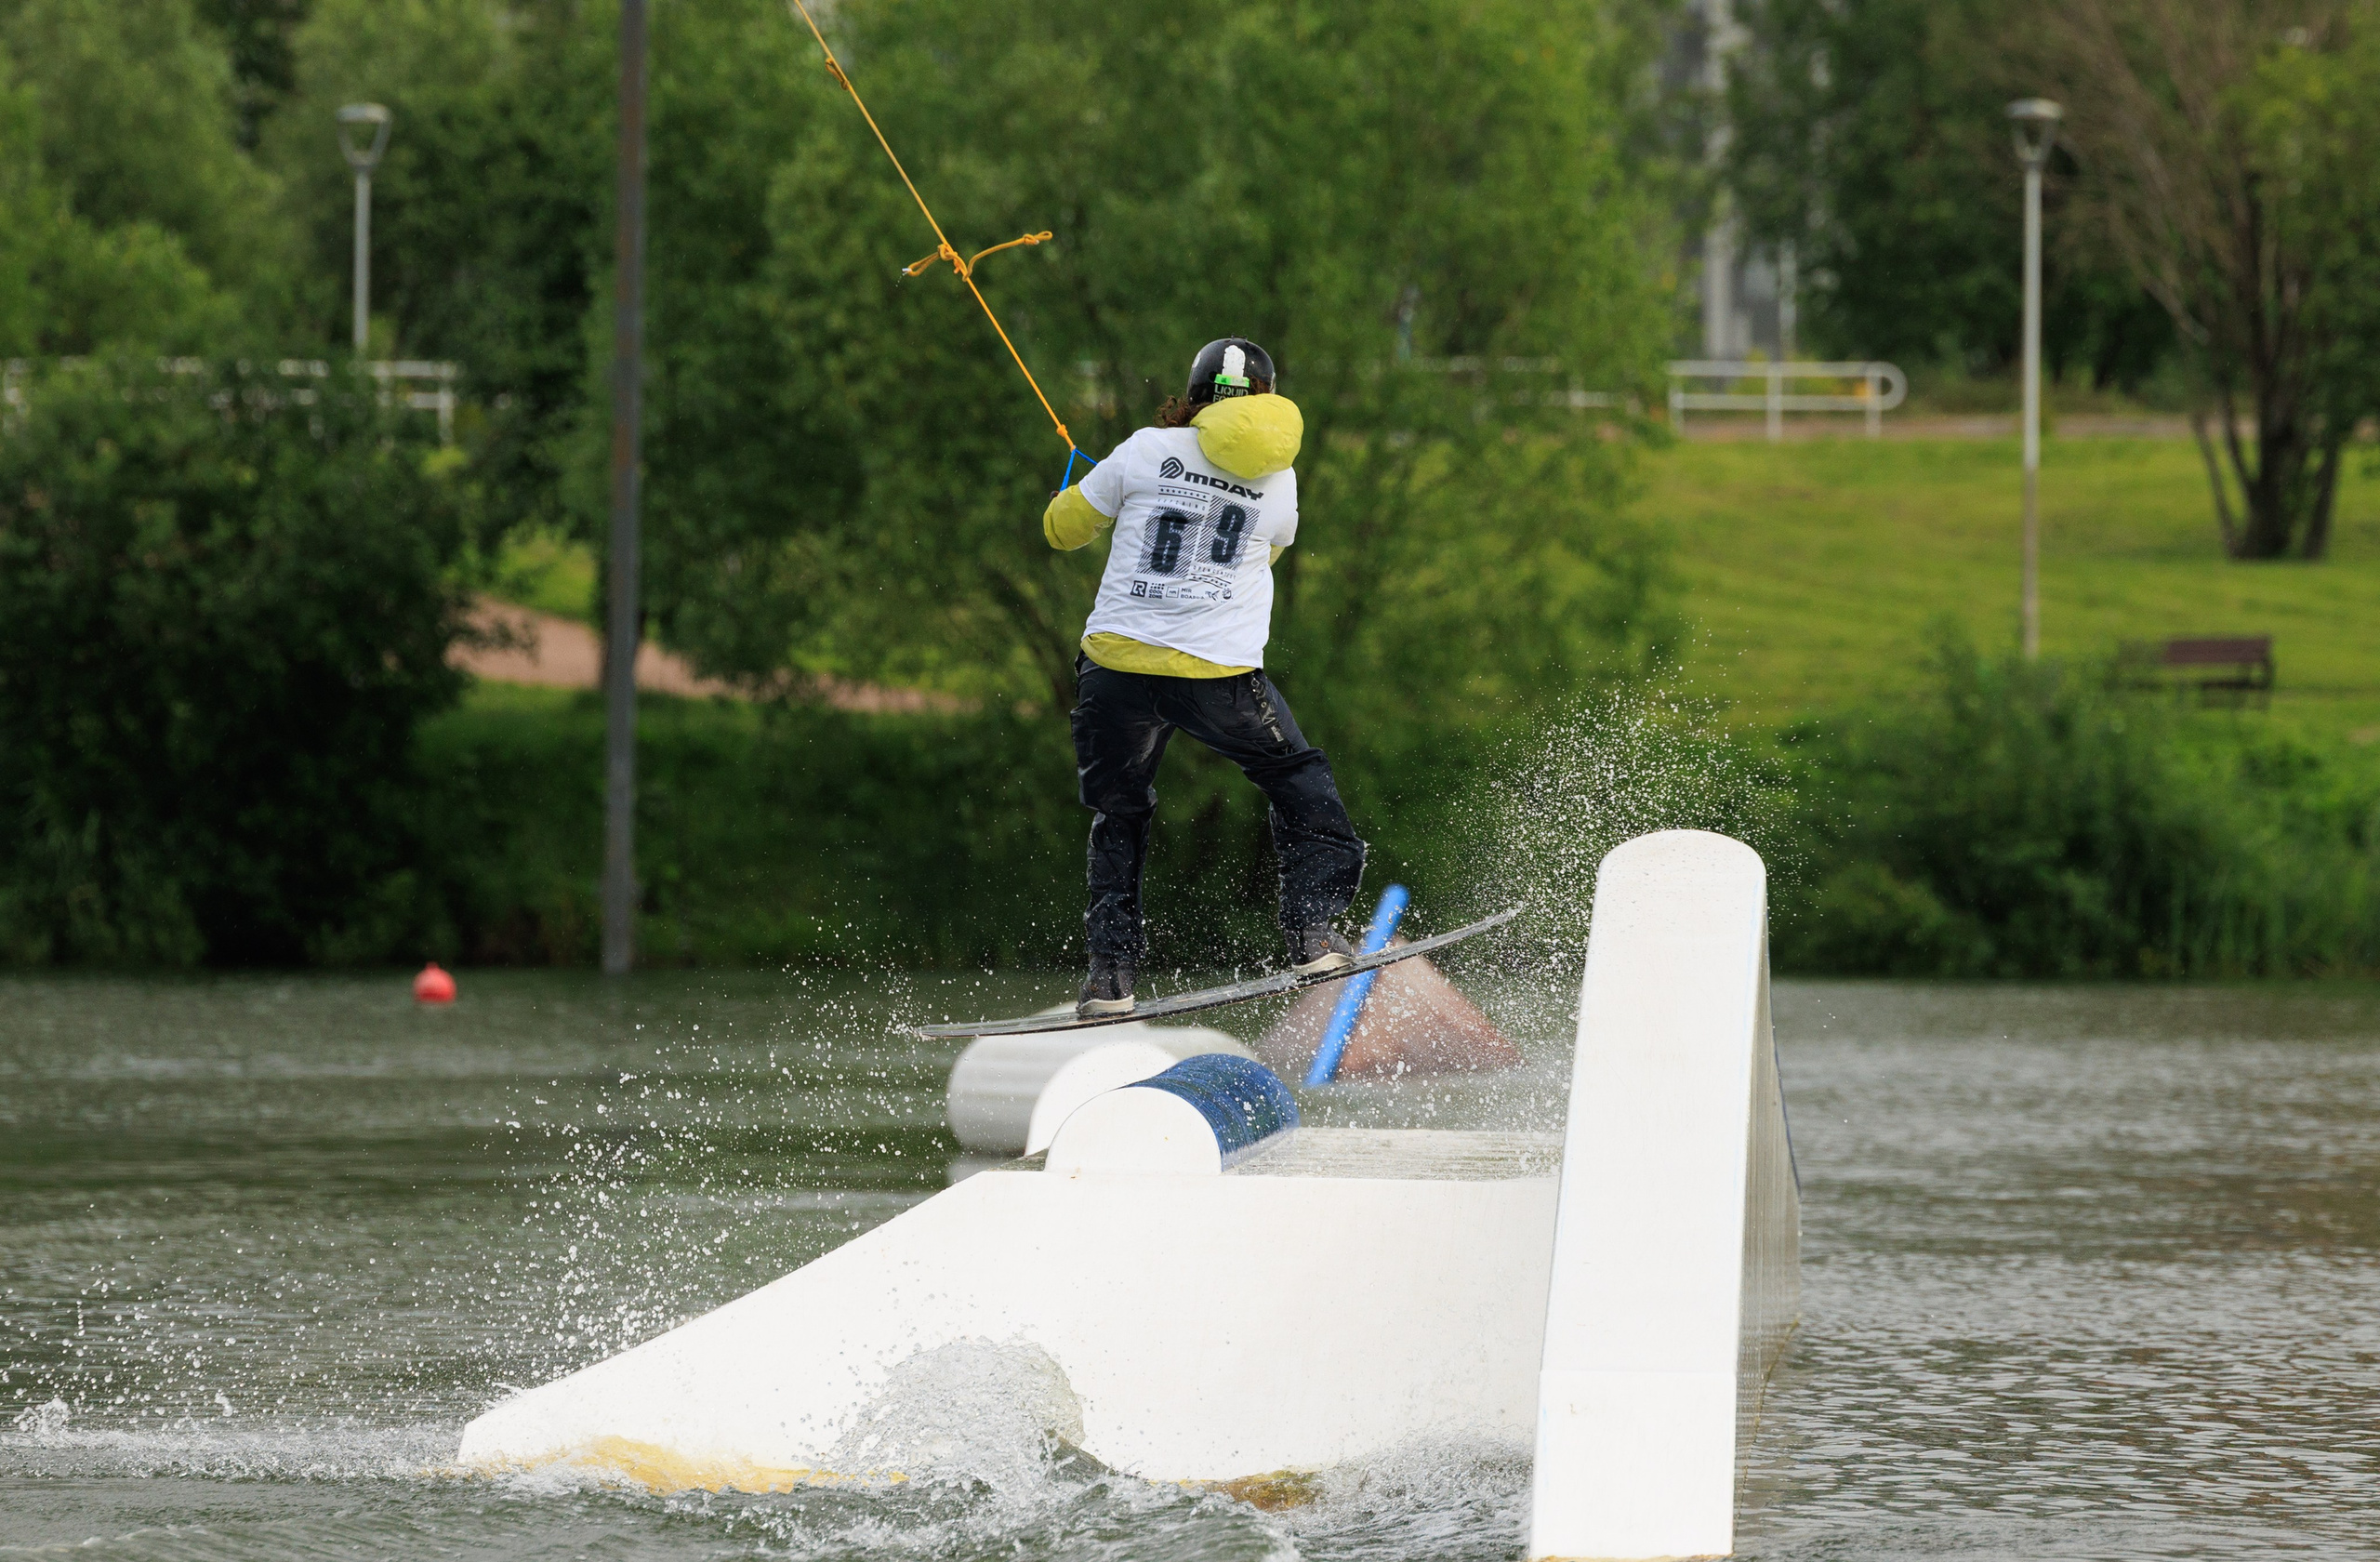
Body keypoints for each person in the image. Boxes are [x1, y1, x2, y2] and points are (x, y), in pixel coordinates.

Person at [1042, 338, 1367, 1016]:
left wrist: (1078, 490)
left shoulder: (1138, 449)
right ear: (1269, 401)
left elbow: (1062, 532)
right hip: (1218, 678)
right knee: (1296, 779)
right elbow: (1265, 553)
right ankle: (1312, 934)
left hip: (1116, 667)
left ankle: (1110, 980)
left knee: (1120, 813)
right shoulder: (1281, 483)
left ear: (1191, 396)